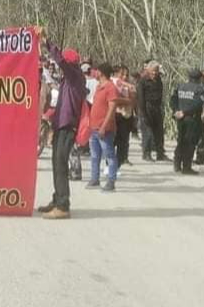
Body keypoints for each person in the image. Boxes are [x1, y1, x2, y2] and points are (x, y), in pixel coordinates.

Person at [35, 27, 86, 220]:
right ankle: (57, 199)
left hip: (67, 127)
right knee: (57, 163)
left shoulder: (74, 76)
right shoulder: (69, 79)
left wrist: (47, 42)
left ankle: (63, 205)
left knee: (61, 165)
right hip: (61, 126)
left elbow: (61, 61)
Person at [87, 64, 130, 192]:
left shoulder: (110, 88)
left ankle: (111, 181)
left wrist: (104, 126)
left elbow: (111, 109)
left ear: (102, 73)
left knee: (109, 155)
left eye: (97, 71)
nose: (95, 73)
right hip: (94, 127)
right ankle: (95, 179)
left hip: (104, 129)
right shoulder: (99, 86)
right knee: (94, 155)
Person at [171, 69, 204, 175]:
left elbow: (173, 100)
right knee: (190, 143)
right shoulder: (199, 89)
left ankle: (177, 164)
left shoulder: (180, 86)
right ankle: (187, 167)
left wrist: (176, 111)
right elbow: (198, 104)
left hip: (180, 118)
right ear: (199, 78)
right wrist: (185, 112)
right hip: (192, 119)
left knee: (181, 141)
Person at [137, 60, 169, 162]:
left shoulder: (158, 80)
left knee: (159, 132)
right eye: (153, 71)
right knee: (148, 132)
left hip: (157, 108)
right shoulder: (142, 81)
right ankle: (146, 154)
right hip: (147, 107)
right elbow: (140, 98)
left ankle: (160, 154)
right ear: (148, 70)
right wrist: (143, 113)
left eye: (156, 71)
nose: (154, 73)